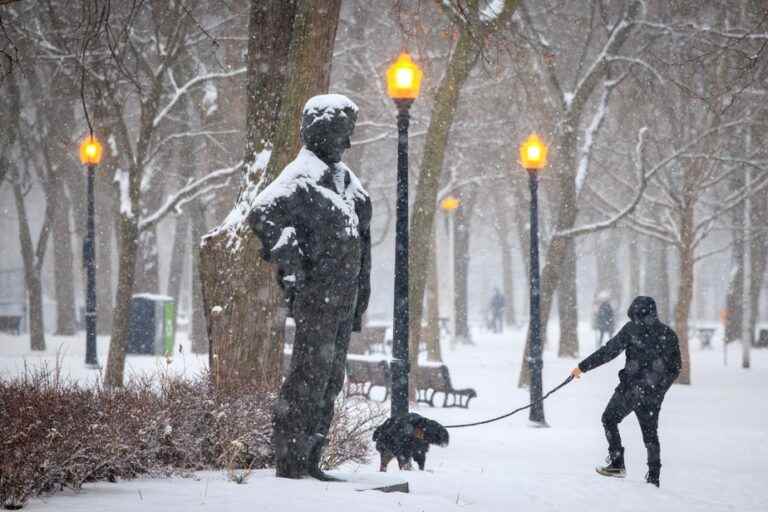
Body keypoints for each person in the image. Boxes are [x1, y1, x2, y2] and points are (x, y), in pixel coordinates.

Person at [247, 94, 371, 481]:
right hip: (317, 299)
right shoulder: (300, 178)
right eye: (341, 134)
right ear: (319, 132)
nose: (347, 144)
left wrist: (360, 297)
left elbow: (362, 243)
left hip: (343, 302)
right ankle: (290, 461)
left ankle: (311, 458)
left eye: (349, 134)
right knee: (307, 377)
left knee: (331, 380)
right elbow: (262, 214)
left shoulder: (349, 184)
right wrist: (295, 264)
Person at [571, 296, 681, 488]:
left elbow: (608, 352)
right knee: (650, 435)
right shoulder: (668, 334)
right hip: (652, 394)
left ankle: (617, 462)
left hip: (630, 390)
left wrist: (582, 367)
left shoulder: (632, 329)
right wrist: (659, 389)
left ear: (636, 312)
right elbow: (676, 368)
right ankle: (654, 477)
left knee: (609, 419)